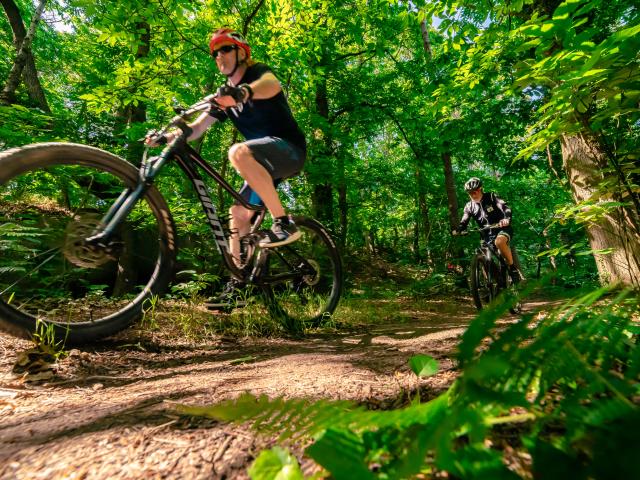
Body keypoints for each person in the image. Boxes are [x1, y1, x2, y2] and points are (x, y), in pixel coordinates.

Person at [146, 28, 306, 306]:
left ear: (241, 53)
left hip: (288, 150)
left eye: (225, 49)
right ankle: (239, 286)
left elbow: (271, 85)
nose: (219, 55)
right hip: (262, 165)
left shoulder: (257, 74)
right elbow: (195, 129)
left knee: (238, 152)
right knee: (238, 213)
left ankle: (284, 223)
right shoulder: (222, 99)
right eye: (215, 52)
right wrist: (165, 138)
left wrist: (243, 92)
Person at [452, 177, 521, 284]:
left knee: (499, 242)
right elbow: (464, 221)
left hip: (501, 228)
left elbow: (505, 207)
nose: (472, 194)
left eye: (474, 192)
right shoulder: (469, 206)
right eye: (469, 193)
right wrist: (459, 229)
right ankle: (488, 285)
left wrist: (506, 218)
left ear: (480, 189)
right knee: (483, 255)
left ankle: (512, 268)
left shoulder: (491, 197)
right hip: (486, 234)